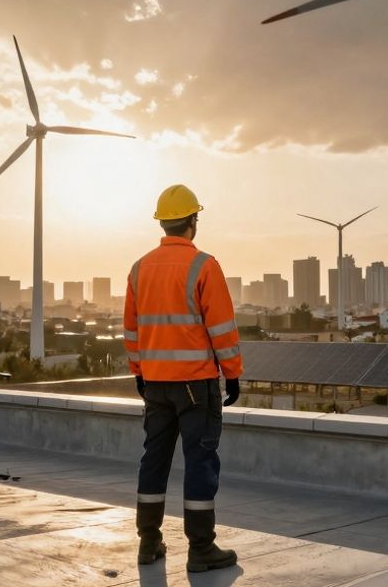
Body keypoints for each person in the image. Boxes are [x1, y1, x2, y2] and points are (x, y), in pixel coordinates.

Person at [124, 184, 243, 573]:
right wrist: (233, 374)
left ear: (163, 223)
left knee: (153, 459)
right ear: (193, 221)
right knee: (200, 462)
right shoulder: (204, 265)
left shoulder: (140, 268)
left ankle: (149, 542)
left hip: (155, 384)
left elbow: (131, 330)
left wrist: (140, 372)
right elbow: (222, 327)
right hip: (196, 383)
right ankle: (201, 549)